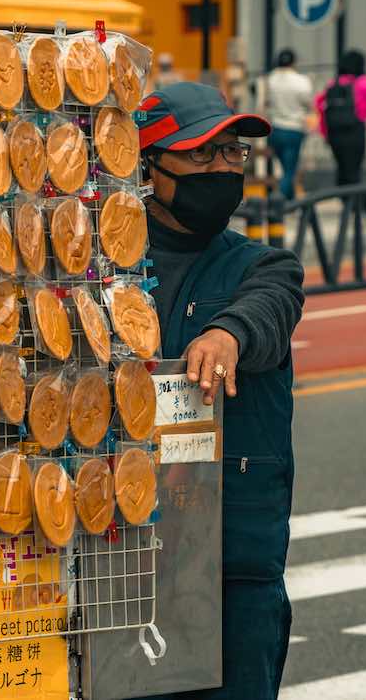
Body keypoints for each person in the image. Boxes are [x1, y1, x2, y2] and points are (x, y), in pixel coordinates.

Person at [135, 82, 305, 700]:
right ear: (149, 166)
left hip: (235, 561)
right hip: (120, 552)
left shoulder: (263, 266)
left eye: (233, 154)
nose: (223, 169)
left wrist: (228, 333)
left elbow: (270, 310)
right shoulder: (100, 266)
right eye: (203, 156)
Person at [314, 49, 366, 186]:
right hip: (355, 133)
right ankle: (357, 203)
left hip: (335, 135)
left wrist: (325, 134)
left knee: (342, 169)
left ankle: (346, 200)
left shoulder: (333, 84)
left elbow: (320, 106)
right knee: (354, 171)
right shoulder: (364, 83)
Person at [262, 49, 315, 200]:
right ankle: (279, 201)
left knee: (285, 166)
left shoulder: (270, 79)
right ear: (294, 62)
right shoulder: (301, 81)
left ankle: (290, 200)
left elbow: (265, 102)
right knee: (289, 170)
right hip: (293, 129)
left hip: (275, 129)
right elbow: (308, 103)